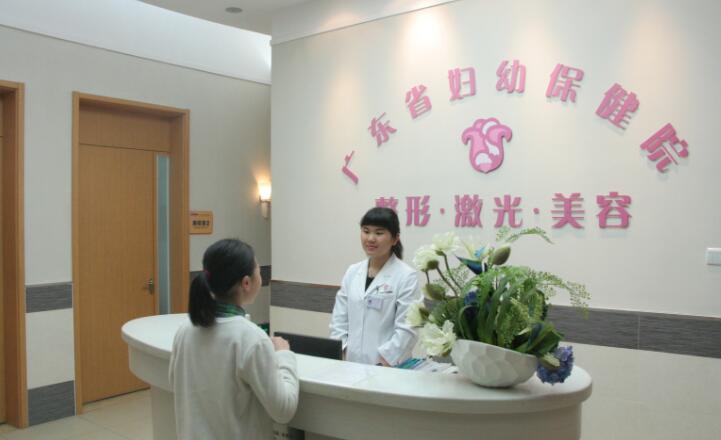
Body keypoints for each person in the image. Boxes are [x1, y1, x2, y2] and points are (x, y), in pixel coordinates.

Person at [170, 239, 298, 439]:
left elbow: (177, 384)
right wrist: (284, 355)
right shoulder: (251, 339)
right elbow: (283, 410)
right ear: (246, 283)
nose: (261, 277)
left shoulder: (185, 331)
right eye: (258, 271)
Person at [330, 207, 423, 366]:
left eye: (379, 233)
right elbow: (339, 321)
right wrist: (343, 352)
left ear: (395, 239)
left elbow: (408, 329)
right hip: (350, 364)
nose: (371, 238)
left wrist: (383, 362)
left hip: (387, 368)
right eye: (366, 231)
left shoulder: (406, 276)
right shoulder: (353, 272)